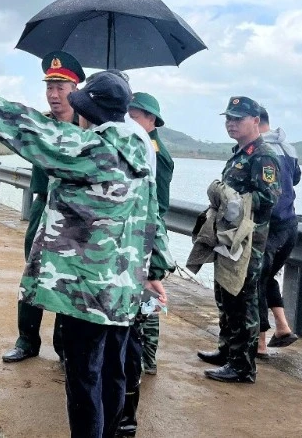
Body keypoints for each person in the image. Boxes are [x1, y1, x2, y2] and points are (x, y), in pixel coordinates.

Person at [0, 65, 174, 438]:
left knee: (84, 381)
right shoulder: (139, 148)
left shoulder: (95, 149)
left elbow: (33, 132)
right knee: (113, 372)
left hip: (87, 290)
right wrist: (154, 269)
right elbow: (151, 212)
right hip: (123, 288)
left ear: (88, 110)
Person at [1, 50, 86, 364]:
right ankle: (26, 341)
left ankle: (64, 349)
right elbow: (11, 131)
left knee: (69, 278)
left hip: (74, 214)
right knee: (33, 274)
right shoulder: (40, 123)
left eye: (60, 87)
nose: (53, 94)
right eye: (49, 86)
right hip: (42, 206)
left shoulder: (90, 126)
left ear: (76, 88)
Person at [196, 96, 280, 383]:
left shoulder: (263, 156)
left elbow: (269, 198)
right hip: (228, 236)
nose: (231, 123)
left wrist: (233, 199)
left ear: (255, 121)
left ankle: (243, 366)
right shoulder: (240, 153)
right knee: (224, 294)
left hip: (248, 241)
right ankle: (227, 350)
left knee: (243, 299)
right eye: (228, 118)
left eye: (237, 119)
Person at [116, 92, 174, 437]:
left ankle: (147, 357)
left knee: (148, 307)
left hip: (149, 227)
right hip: (141, 227)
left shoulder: (154, 151)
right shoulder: (138, 142)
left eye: (136, 115)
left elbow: (157, 199)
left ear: (151, 120)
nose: (131, 120)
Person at [257, 106, 300, 354]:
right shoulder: (288, 147)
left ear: (255, 122)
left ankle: (260, 344)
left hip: (270, 227)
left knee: (256, 280)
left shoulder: (259, 149)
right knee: (266, 275)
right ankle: (282, 328)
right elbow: (295, 179)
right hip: (290, 223)